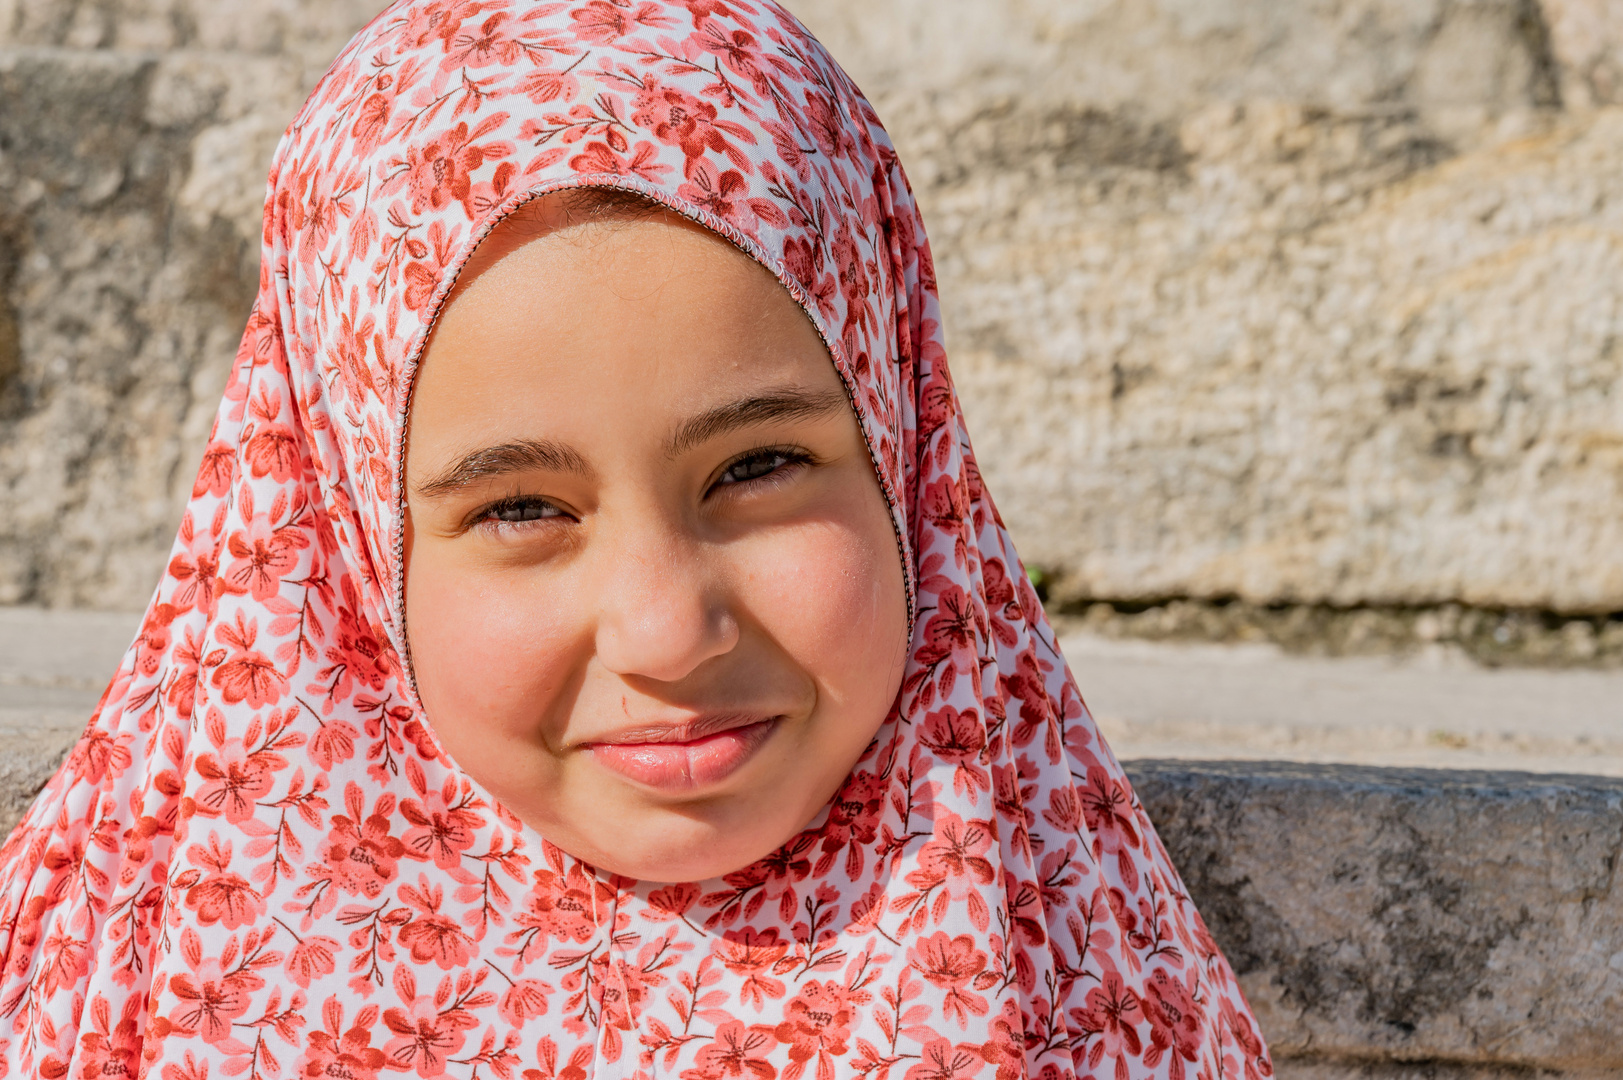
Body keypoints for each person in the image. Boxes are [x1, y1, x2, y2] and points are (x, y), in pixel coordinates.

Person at [0, 1, 1274, 1077]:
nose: (667, 629)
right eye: (520, 511)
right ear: (341, 538)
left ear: (907, 452)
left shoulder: (1090, 976)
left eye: (760, 467)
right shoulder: (108, 996)